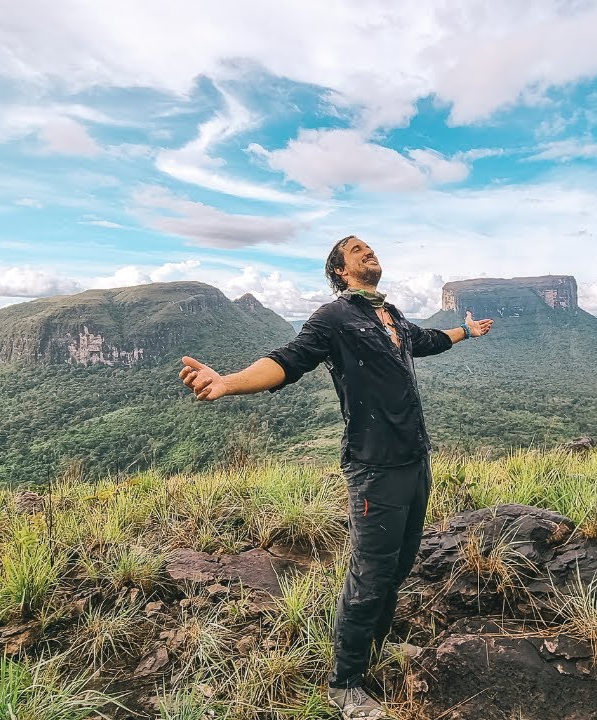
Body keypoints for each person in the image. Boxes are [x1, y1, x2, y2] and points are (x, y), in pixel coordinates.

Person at [180, 235, 493, 719]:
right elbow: (287, 360)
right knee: (369, 576)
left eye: (371, 247)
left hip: (415, 461)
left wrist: (467, 332)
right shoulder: (334, 319)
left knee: (400, 564)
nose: (370, 252)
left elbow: (427, 341)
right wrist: (229, 382)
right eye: (357, 250)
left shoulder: (388, 316)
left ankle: (379, 646)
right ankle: (345, 683)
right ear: (340, 271)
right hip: (374, 469)